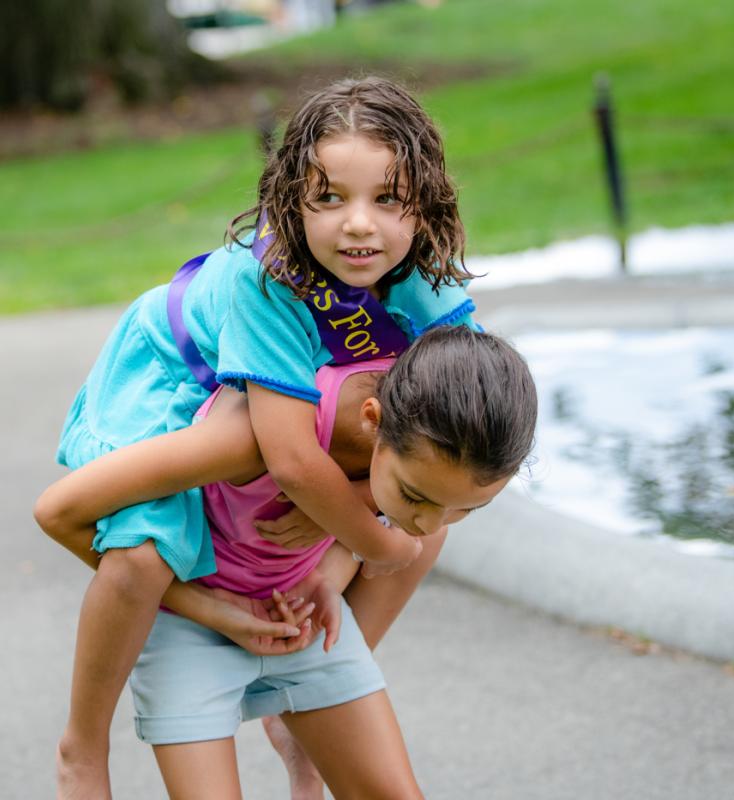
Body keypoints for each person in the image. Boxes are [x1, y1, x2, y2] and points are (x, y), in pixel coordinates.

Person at [44, 76, 478, 799]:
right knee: (147, 546)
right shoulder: (268, 281)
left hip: (285, 381)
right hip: (173, 368)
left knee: (421, 526)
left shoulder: (427, 285)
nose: (360, 225)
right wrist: (377, 544)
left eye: (387, 199)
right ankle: (82, 746)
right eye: (330, 198)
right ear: (292, 201)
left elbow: (468, 419)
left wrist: (360, 542)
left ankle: (310, 692)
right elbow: (288, 458)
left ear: (423, 207)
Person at [36, 327, 538, 799]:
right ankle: (82, 748)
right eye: (414, 496)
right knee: (139, 562)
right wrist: (208, 609)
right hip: (191, 619)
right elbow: (59, 511)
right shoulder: (254, 435)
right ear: (372, 421)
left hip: (300, 613)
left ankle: (303, 721)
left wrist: (337, 548)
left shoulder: (427, 439)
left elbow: (403, 509)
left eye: (468, 508)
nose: (431, 522)